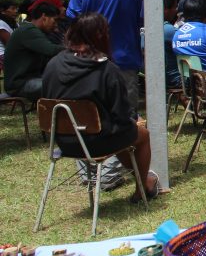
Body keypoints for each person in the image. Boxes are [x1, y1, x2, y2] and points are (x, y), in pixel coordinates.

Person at [40, 12, 160, 201]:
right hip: (97, 142)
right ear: (101, 36)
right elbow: (121, 116)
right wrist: (134, 120)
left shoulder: (53, 64)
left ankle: (142, 182)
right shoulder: (106, 69)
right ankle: (143, 188)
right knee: (140, 134)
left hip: (64, 141)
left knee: (120, 132)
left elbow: (47, 100)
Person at [66, 0, 145, 113]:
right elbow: (145, 19)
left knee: (92, 115)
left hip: (88, 59)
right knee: (125, 118)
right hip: (124, 60)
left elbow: (73, 16)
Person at [3, 2, 62, 100]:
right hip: (20, 85)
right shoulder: (28, 30)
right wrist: (76, 49)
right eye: (54, 21)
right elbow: (51, 50)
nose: (55, 25)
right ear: (44, 17)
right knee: (62, 86)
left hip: (31, 80)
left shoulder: (34, 31)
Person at [0, 0, 19, 69]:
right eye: (13, 9)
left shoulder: (15, 23)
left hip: (11, 53)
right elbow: (10, 44)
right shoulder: (1, 24)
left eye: (16, 9)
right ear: (3, 11)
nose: (16, 11)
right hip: (3, 54)